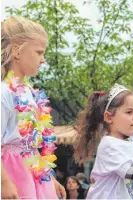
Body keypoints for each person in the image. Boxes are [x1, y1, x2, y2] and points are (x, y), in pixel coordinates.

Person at [1, 16, 65, 199]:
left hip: (32, 172)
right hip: (12, 174)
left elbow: (32, 145)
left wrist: (49, 178)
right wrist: (3, 182)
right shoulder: (4, 92)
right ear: (17, 50)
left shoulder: (31, 93)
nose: (43, 59)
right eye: (38, 52)